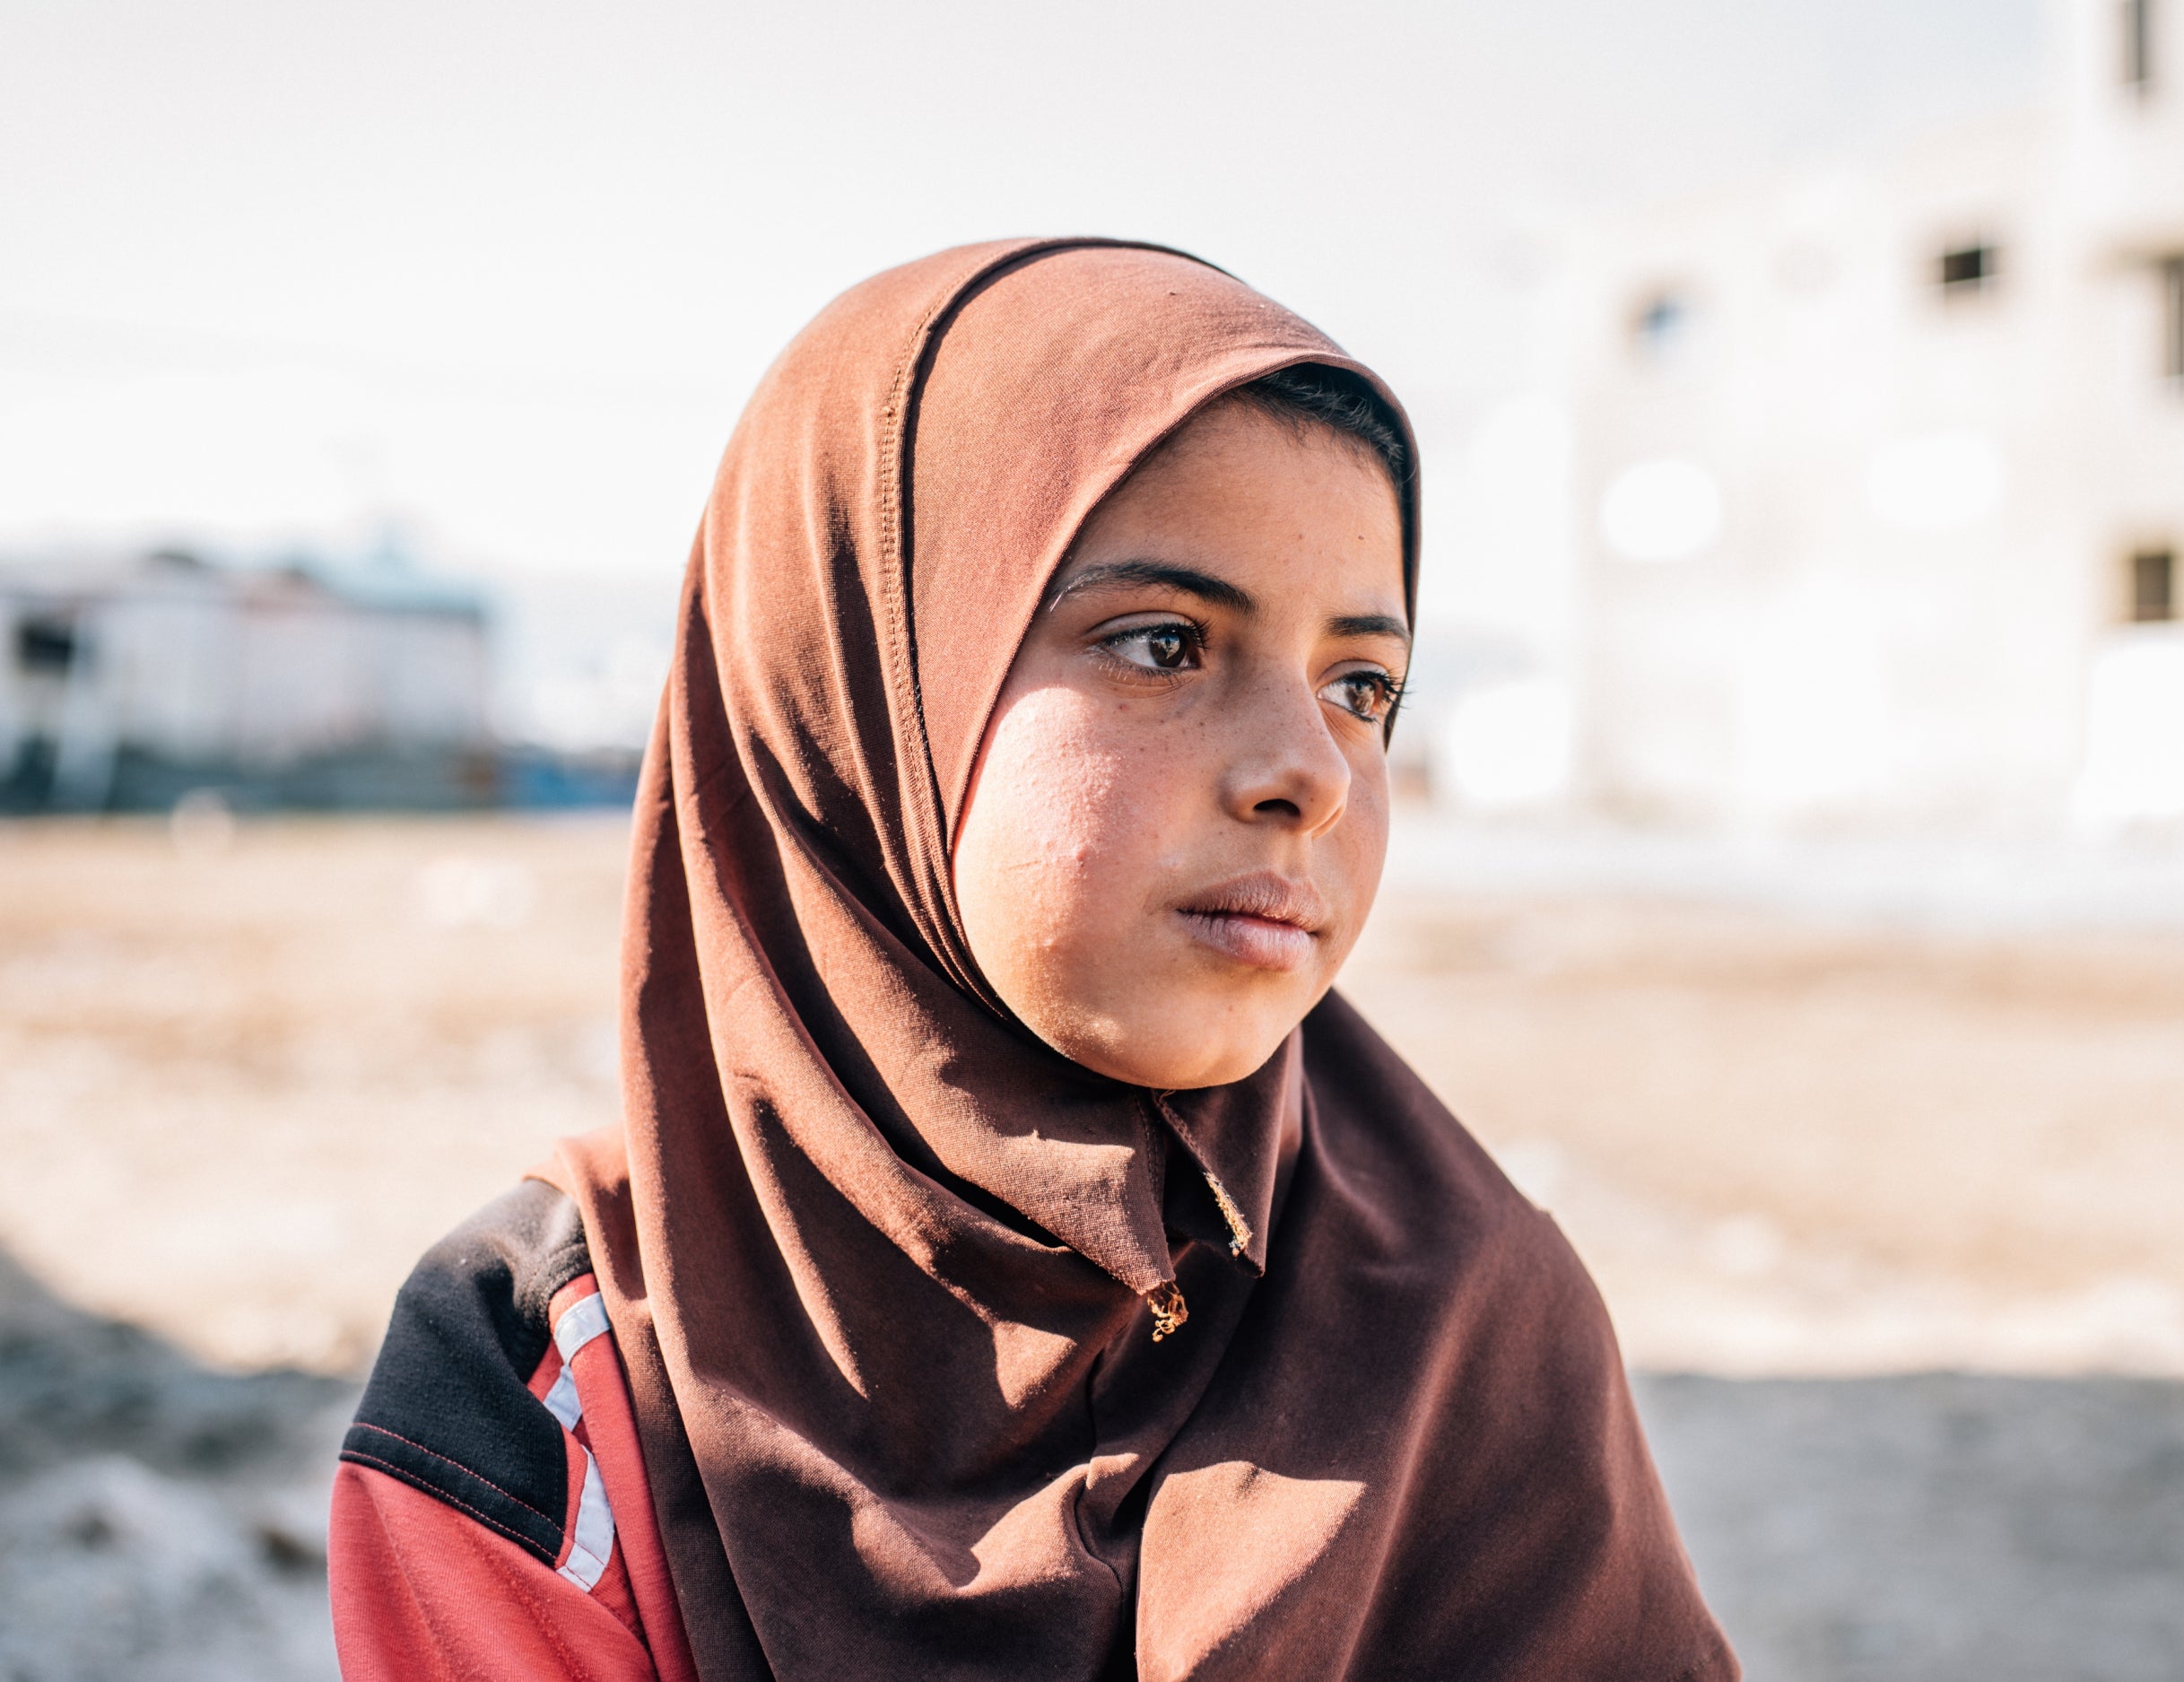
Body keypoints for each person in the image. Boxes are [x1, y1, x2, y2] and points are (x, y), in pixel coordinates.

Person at [327, 238, 1736, 1682]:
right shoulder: (557, 1367)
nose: (1311, 773)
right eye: (1164, 645)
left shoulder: (1467, 1316)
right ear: (861, 699)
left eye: (1362, 683)